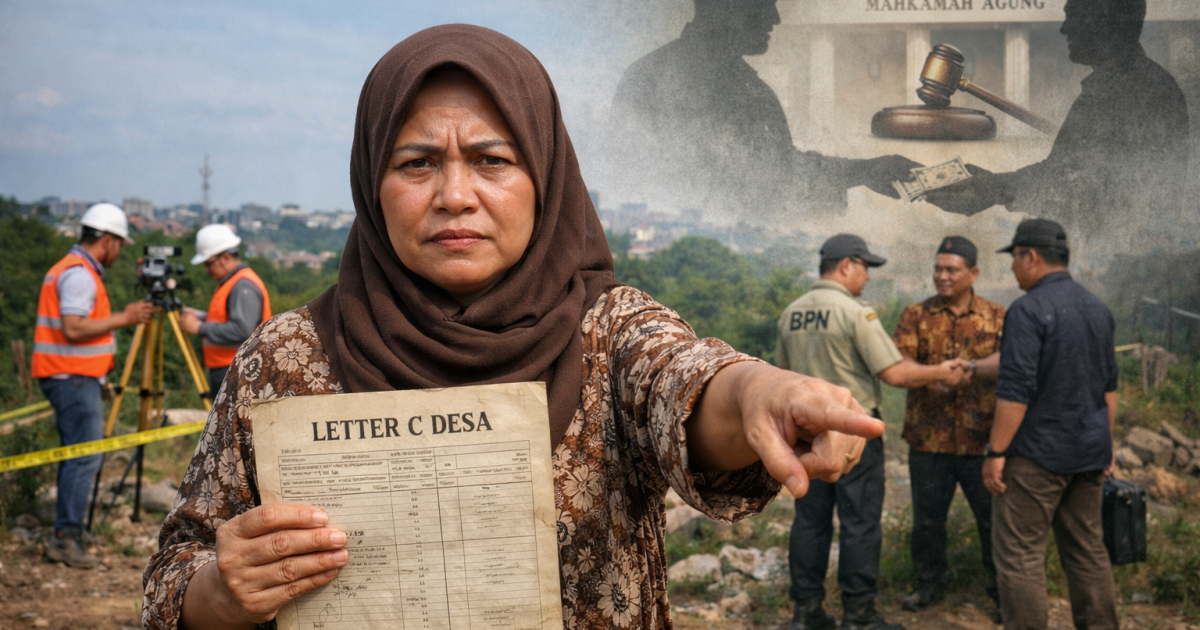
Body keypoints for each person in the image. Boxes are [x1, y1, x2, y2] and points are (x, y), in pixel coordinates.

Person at [142, 25, 889, 630]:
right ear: (371, 182)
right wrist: (220, 593)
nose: (455, 195)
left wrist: (757, 388)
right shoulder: (284, 359)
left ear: (546, 176)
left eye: (492, 160)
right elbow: (174, 574)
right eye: (417, 163)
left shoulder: (606, 332)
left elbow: (682, 381)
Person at [776, 234, 969, 630]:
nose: (867, 277)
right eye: (865, 267)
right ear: (846, 265)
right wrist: (940, 371)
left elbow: (781, 381)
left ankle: (805, 612)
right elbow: (894, 372)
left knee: (809, 523)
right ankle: (859, 615)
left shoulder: (790, 314)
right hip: (852, 437)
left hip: (805, 437)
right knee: (860, 523)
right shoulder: (854, 312)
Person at [604, 0, 921, 219]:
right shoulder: (664, 80)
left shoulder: (741, 84)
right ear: (729, 7)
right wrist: (862, 172)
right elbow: (758, 181)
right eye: (763, 2)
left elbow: (776, 168)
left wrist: (866, 171)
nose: (775, 17)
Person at [924, 0, 1189, 251]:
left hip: (1122, 259)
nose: (1064, 28)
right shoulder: (1124, 86)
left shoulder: (1134, 92)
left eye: (1073, 16)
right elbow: (1066, 173)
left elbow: (1073, 185)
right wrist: (993, 185)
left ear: (1103, 22)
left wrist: (994, 188)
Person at [984, 219, 1119, 629]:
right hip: (1090, 454)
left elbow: (1016, 389)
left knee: (1020, 556)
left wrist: (997, 452)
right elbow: (1109, 388)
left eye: (1015, 259)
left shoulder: (1027, 310)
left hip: (1036, 458)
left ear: (1031, 256)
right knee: (1088, 551)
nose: (1012, 269)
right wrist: (1106, 444)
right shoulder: (1097, 307)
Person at [32, 202, 156, 569]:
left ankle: (67, 533)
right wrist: (127, 317)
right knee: (85, 456)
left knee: (78, 454)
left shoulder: (71, 268)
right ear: (108, 241)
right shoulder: (80, 274)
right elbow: (73, 328)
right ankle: (66, 536)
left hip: (72, 375)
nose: (119, 252)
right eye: (119, 244)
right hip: (69, 376)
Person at [890, 237, 1004, 619]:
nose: (942, 276)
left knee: (993, 522)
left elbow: (1012, 363)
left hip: (982, 442)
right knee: (927, 522)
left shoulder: (997, 317)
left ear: (973, 273)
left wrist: (968, 373)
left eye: (951, 269)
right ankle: (928, 588)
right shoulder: (915, 315)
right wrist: (931, 377)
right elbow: (898, 366)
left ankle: (1002, 595)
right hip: (929, 439)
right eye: (938, 268)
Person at [179, 223, 272, 397]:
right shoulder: (231, 283)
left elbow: (241, 329)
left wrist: (199, 328)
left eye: (208, 264)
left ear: (226, 257)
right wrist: (199, 316)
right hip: (229, 368)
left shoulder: (243, 286)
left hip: (238, 370)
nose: (206, 270)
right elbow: (225, 318)